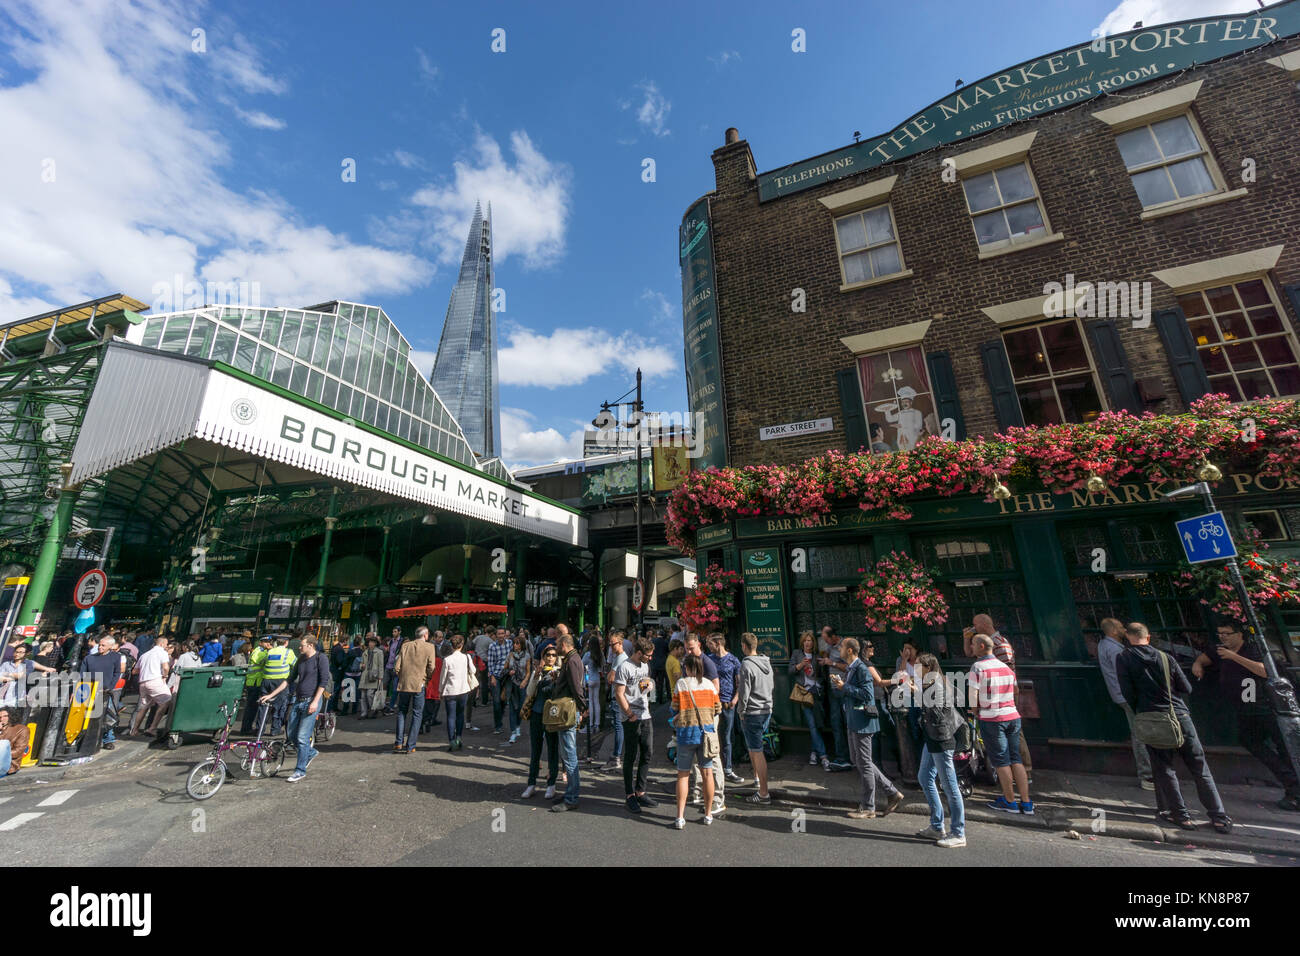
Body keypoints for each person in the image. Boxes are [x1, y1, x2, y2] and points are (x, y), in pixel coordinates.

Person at [1119, 622, 1231, 832]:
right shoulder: (1165, 657)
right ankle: (1219, 817)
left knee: (1164, 768)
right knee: (1200, 768)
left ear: (1128, 636)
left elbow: (1127, 691)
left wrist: (1142, 710)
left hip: (1152, 717)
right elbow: (1186, 687)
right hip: (1180, 715)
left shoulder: (1124, 657)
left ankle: (1181, 816)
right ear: (1148, 637)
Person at [1192, 621, 1299, 811]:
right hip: (1244, 709)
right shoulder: (1220, 650)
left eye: (1227, 633)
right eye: (1220, 633)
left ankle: (1293, 788)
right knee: (1252, 742)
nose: (1223, 637)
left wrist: (1234, 657)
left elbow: (1266, 671)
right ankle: (1292, 785)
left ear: (1239, 634)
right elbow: (1205, 657)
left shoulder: (1252, 649)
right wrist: (1198, 664)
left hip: (1264, 708)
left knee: (1284, 748)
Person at [837, 637, 903, 819]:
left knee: (864, 762)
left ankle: (868, 807)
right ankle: (891, 792)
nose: (840, 650)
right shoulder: (852, 669)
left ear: (850, 650)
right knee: (858, 759)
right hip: (854, 720)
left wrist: (845, 687)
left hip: (863, 722)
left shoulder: (861, 669)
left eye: (842, 647)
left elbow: (868, 695)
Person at [968, 633, 1033, 815]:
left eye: (973, 644)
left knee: (1001, 761)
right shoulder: (1005, 667)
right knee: (1016, 759)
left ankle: (1009, 800)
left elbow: (973, 697)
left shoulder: (978, 667)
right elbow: (1016, 691)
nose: (970, 647)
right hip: (1012, 716)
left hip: (992, 718)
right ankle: (1026, 802)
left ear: (981, 646)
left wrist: (976, 713)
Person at [963, 613, 1031, 772]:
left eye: (975, 625)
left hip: (1003, 694)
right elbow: (968, 653)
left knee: (1015, 735)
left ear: (983, 625)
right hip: (993, 696)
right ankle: (1011, 768)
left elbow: (1006, 671)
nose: (973, 628)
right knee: (1002, 736)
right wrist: (966, 638)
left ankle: (1024, 769)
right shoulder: (985, 644)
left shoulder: (1000, 644)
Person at [1097, 617, 1155, 790]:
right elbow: (1125, 673)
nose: (1124, 629)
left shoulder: (1104, 645)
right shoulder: (1115, 650)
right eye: (1121, 627)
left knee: (1140, 731)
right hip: (1128, 696)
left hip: (1122, 695)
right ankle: (1147, 775)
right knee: (1140, 733)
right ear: (1114, 630)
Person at [261, 635, 329, 782]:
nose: (299, 647)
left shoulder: (321, 658)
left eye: (302, 645)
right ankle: (310, 753)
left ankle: (300, 770)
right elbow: (289, 679)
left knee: (302, 737)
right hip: (298, 700)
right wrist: (271, 695)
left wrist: (315, 702)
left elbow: (323, 681)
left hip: (311, 701)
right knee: (291, 735)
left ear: (311, 645)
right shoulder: (301, 659)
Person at [915, 653, 966, 847]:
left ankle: (958, 832)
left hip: (942, 740)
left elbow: (937, 714)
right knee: (924, 777)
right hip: (932, 739)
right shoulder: (930, 685)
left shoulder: (937, 686)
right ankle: (937, 826)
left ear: (929, 668)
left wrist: (917, 695)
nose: (916, 670)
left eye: (919, 666)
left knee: (950, 785)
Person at [670, 652, 719, 829]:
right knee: (707, 774)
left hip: (686, 734)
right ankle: (707, 814)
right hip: (706, 734)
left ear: (688, 668)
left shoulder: (681, 684)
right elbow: (717, 708)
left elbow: (674, 707)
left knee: (683, 775)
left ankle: (680, 817)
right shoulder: (709, 685)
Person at [615, 635, 657, 813]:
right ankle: (629, 795)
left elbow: (642, 686)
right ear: (639, 653)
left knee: (647, 752)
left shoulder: (645, 665)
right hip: (631, 717)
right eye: (648, 655)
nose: (650, 658)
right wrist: (629, 714)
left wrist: (648, 687)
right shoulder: (624, 667)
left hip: (645, 714)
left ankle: (640, 791)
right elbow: (619, 693)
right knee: (631, 755)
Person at [735, 632, 775, 805]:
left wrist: (741, 711)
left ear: (744, 646)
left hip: (752, 712)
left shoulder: (746, 666)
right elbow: (771, 685)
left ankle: (764, 793)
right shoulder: (766, 662)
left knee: (757, 751)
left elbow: (744, 693)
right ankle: (757, 780)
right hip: (766, 709)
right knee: (753, 747)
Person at [550, 630, 587, 812]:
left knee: (569, 755)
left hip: (568, 710)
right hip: (570, 709)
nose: (556, 648)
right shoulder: (573, 659)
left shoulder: (571, 660)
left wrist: (583, 707)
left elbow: (576, 687)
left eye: (558, 645)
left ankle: (572, 796)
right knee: (567, 753)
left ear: (564, 645)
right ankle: (570, 793)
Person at [520, 643, 561, 799]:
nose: (550, 658)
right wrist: (535, 676)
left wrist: (556, 680)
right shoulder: (538, 671)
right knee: (535, 750)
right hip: (537, 713)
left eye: (553, 655)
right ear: (543, 657)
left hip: (552, 715)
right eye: (548, 655)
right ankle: (531, 783)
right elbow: (530, 692)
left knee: (552, 748)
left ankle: (551, 784)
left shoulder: (559, 672)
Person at [393, 625, 438, 753]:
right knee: (417, 714)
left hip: (405, 683)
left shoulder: (405, 646)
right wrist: (427, 679)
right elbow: (432, 667)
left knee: (402, 712)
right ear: (425, 635)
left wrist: (402, 677)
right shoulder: (430, 647)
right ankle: (411, 745)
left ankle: (398, 742)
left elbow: (397, 667)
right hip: (420, 684)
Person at [789, 631, 830, 769]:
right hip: (804, 694)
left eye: (810, 640)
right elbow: (790, 671)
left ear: (813, 643)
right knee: (812, 724)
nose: (808, 643)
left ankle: (813, 752)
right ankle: (824, 756)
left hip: (817, 693)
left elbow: (823, 676)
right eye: (806, 640)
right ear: (802, 642)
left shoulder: (817, 656)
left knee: (818, 724)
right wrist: (801, 665)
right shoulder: (797, 654)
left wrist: (820, 666)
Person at [708, 633, 744, 785]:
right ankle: (713, 768)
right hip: (712, 703)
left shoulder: (733, 660)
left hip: (728, 703)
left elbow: (740, 682)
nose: (708, 646)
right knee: (712, 736)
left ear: (718, 643)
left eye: (710, 643)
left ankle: (728, 769)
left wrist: (735, 699)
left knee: (727, 737)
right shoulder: (709, 659)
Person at [80, 633, 127, 750]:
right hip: (89, 690)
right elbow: (82, 675)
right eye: (99, 645)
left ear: (110, 647)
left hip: (105, 691)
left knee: (108, 717)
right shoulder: (89, 658)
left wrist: (110, 686)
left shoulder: (115, 657)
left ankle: (108, 740)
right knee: (86, 716)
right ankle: (84, 738)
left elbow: (117, 673)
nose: (100, 647)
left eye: (103, 645)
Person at [819, 626, 851, 769]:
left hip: (844, 689)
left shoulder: (845, 646)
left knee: (848, 723)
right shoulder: (830, 647)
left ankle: (854, 757)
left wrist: (831, 663)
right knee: (836, 724)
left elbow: (849, 666)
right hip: (833, 690)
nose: (826, 642)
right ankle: (841, 757)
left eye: (827, 639)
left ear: (833, 637)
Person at [129, 634, 172, 736]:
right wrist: (164, 676)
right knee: (166, 701)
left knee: (144, 706)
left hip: (143, 683)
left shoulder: (145, 655)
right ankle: (152, 728)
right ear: (161, 644)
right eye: (166, 644)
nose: (167, 646)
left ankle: (134, 730)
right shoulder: (162, 653)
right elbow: (166, 668)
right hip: (155, 680)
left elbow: (134, 671)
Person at [439, 634, 474, 750]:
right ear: (462, 644)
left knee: (450, 716)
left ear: (452, 646)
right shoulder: (467, 657)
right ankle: (459, 737)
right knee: (460, 715)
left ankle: (452, 741)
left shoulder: (447, 660)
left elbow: (443, 677)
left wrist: (440, 691)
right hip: (463, 689)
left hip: (450, 690)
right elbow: (473, 670)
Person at [602, 630, 628, 771]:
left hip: (617, 697)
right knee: (618, 726)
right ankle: (616, 756)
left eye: (613, 644)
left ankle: (616, 757)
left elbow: (610, 678)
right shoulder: (619, 657)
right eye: (610, 644)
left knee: (619, 727)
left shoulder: (620, 658)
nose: (611, 647)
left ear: (621, 643)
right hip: (617, 697)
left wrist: (610, 674)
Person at [0, 643, 54, 708]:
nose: (17, 654)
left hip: (17, 697)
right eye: (16, 652)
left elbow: (23, 676)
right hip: (2, 695)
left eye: (20, 652)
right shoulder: (6, 664)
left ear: (27, 653)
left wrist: (7, 674)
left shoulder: (29, 664)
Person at [262, 636, 296, 734]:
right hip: (280, 681)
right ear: (286, 642)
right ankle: (275, 730)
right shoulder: (288, 652)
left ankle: (260, 728)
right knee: (279, 705)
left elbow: (264, 662)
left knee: (263, 704)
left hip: (266, 680)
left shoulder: (270, 651)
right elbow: (295, 664)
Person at [239, 635, 272, 734]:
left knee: (253, 707)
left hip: (256, 682)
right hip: (254, 682)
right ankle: (245, 729)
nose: (268, 644)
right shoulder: (258, 652)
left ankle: (247, 728)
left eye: (269, 642)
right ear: (260, 642)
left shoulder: (261, 651)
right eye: (266, 642)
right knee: (251, 708)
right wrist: (271, 651)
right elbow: (264, 660)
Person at [504, 633, 531, 744]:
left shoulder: (527, 656)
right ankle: (513, 732)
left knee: (520, 707)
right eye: (514, 643)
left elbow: (529, 671)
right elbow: (504, 668)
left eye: (518, 643)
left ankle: (518, 725)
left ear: (522, 645)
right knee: (512, 708)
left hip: (522, 684)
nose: (515, 645)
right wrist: (509, 671)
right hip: (511, 683)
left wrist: (525, 681)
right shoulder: (510, 655)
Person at [486, 626, 512, 735]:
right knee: (496, 701)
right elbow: (490, 663)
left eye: (503, 633)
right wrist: (491, 676)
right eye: (499, 634)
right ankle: (498, 725)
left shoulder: (510, 643)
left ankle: (500, 717)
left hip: (507, 675)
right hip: (496, 674)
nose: (501, 636)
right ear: (496, 635)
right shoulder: (492, 646)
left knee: (504, 700)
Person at [359, 634, 386, 719]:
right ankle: (364, 713)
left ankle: (374, 709)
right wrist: (361, 666)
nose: (371, 643)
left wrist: (380, 677)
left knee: (369, 694)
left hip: (373, 676)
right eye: (370, 642)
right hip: (365, 675)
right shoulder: (365, 652)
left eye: (373, 642)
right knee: (363, 696)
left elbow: (381, 665)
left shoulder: (379, 652)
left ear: (376, 643)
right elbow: (361, 663)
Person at [0, 707, 29, 779]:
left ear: (11, 716)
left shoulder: (22, 729)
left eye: (5, 716)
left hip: (9, 765)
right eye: (0, 717)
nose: (2, 719)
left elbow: (18, 751)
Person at [383, 627, 404, 716]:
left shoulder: (402, 641)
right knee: (384, 685)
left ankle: (391, 705)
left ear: (399, 632)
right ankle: (382, 704)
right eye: (393, 631)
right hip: (388, 666)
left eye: (395, 631)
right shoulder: (391, 641)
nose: (393, 633)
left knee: (395, 688)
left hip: (395, 667)